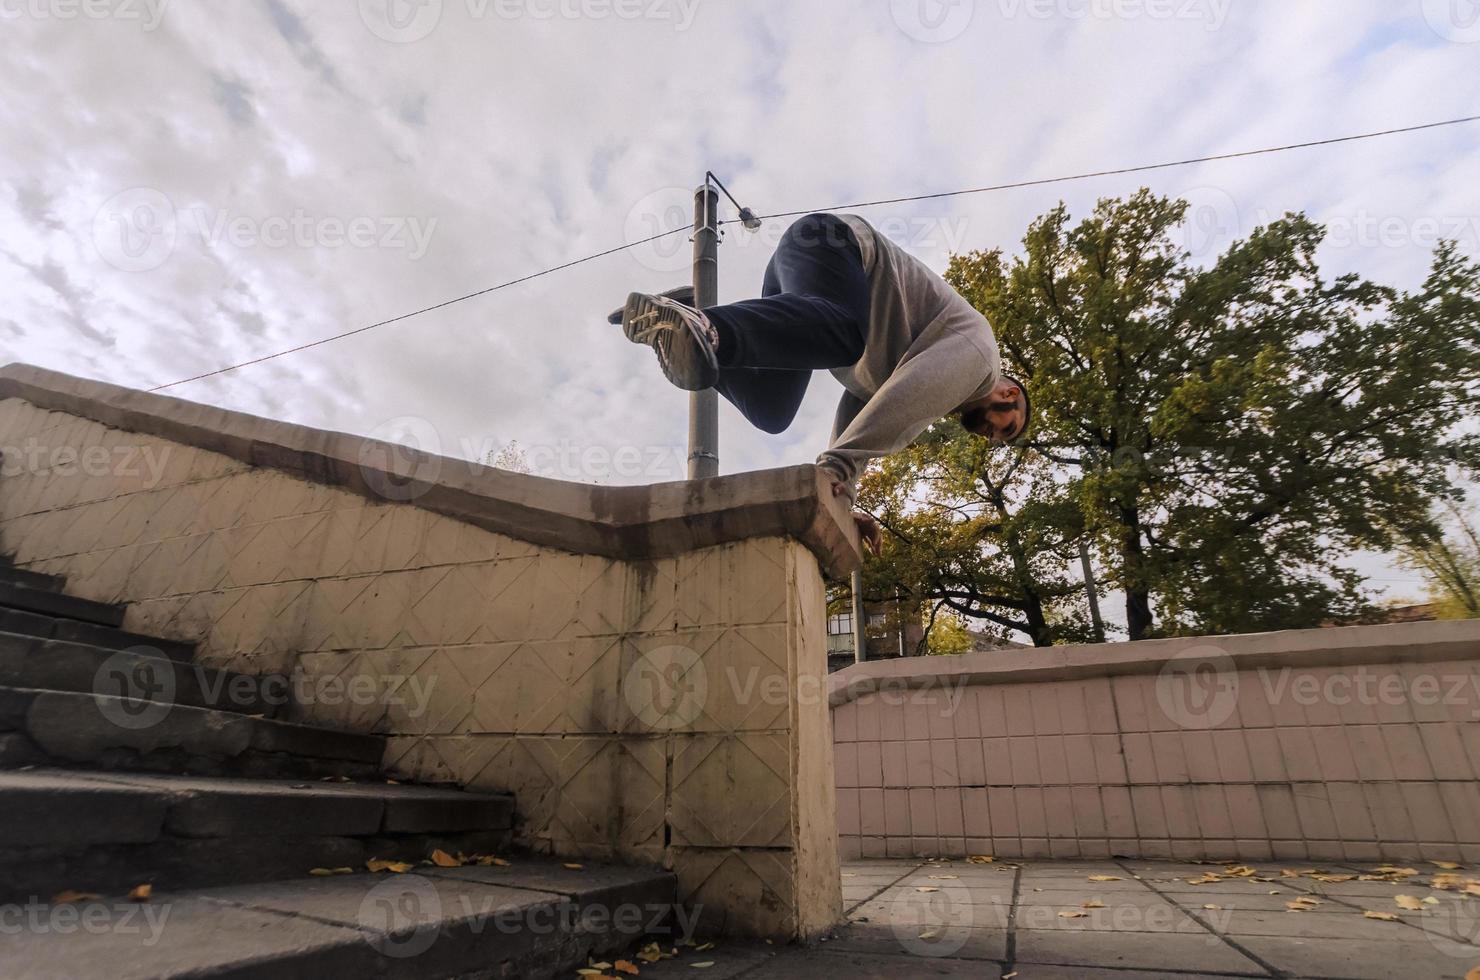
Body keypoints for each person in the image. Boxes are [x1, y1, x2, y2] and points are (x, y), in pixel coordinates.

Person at [619, 212, 1029, 553]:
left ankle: (690, 313)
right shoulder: (980, 362)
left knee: (771, 409)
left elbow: (867, 413)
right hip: (834, 244)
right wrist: (838, 466)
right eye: (1007, 428)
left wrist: (839, 497)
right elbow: (907, 403)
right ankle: (708, 326)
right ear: (1009, 394)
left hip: (796, 275)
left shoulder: (926, 365)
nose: (994, 437)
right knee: (843, 335)